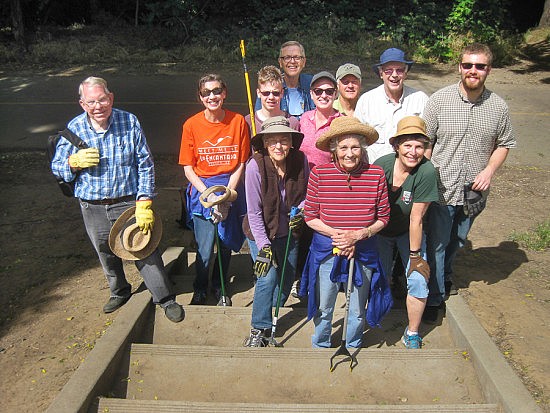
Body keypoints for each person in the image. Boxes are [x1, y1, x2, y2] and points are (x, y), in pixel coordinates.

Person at [50, 76, 184, 322]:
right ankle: (119, 291)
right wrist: (73, 162)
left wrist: (144, 200)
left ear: (110, 98)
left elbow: (145, 164)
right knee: (105, 252)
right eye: (91, 102)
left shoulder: (128, 121)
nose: (98, 106)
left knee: (144, 250)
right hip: (92, 206)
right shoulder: (74, 128)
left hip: (128, 203)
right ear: (82, 104)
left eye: (102, 99)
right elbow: (57, 166)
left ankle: (165, 298)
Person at [423, 43, 516, 322]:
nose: (472, 71)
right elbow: (426, 142)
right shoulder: (439, 100)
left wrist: (489, 170)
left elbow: (505, 143)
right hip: (442, 185)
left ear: (489, 69)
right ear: (459, 67)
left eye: (479, 66)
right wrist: (425, 178)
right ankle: (435, 297)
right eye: (467, 65)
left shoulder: (498, 107)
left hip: (475, 190)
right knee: (437, 243)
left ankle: (446, 274)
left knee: (458, 239)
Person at [299, 116, 391, 348]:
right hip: (328, 248)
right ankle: (320, 343)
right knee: (324, 303)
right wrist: (339, 236)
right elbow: (310, 216)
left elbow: (383, 217)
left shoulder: (376, 174)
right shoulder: (319, 174)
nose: (349, 153)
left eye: (355, 147)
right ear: (334, 149)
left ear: (362, 148)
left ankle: (352, 343)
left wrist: (358, 235)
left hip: (364, 249)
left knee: (358, 306)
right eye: (343, 147)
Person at [179, 73, 250, 305]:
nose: (212, 96)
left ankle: (220, 287)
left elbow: (241, 162)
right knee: (205, 246)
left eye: (217, 91)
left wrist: (227, 197)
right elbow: (188, 168)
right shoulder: (191, 124)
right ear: (200, 97)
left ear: (224, 93)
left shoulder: (238, 121)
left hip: (230, 186)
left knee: (225, 241)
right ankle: (200, 287)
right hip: (203, 188)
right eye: (207, 92)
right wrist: (208, 195)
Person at [242, 116, 309, 347]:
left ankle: (272, 311)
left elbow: (308, 195)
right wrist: (264, 246)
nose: (278, 146)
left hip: (289, 231)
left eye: (284, 140)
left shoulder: (300, 160)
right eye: (272, 141)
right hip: (260, 233)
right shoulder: (254, 167)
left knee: (286, 278)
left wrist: (300, 211)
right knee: (267, 277)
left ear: (292, 142)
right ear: (264, 143)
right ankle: (258, 328)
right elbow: (253, 212)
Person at [374, 116, 438, 349]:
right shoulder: (382, 166)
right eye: (407, 145)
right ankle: (373, 317)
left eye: (419, 146)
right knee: (377, 275)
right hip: (380, 229)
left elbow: (416, 218)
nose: (413, 151)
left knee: (419, 278)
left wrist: (414, 257)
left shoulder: (427, 172)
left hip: (408, 231)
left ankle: (412, 331)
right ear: (396, 146)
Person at [293, 71, 342, 297]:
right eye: (318, 91)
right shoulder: (303, 120)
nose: (324, 95)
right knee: (301, 236)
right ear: (311, 94)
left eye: (329, 91)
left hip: (330, 191)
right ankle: (300, 281)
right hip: (303, 188)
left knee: (323, 238)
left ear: (336, 94)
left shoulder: (341, 122)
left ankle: (326, 283)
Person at [355, 47, 429, 163]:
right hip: (375, 171)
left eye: (399, 70)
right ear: (381, 73)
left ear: (406, 73)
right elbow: (357, 140)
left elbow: (428, 141)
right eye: (388, 71)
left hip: (410, 172)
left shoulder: (420, 99)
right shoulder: (366, 101)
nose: (394, 75)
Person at [254, 40, 315, 119]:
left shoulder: (312, 84)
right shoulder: (268, 88)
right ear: (280, 62)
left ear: (304, 62)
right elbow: (259, 118)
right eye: (287, 57)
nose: (292, 61)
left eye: (297, 57)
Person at [245, 65, 300, 136]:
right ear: (258, 93)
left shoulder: (292, 122)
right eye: (266, 93)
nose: (271, 97)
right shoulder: (248, 121)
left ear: (282, 93)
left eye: (275, 93)